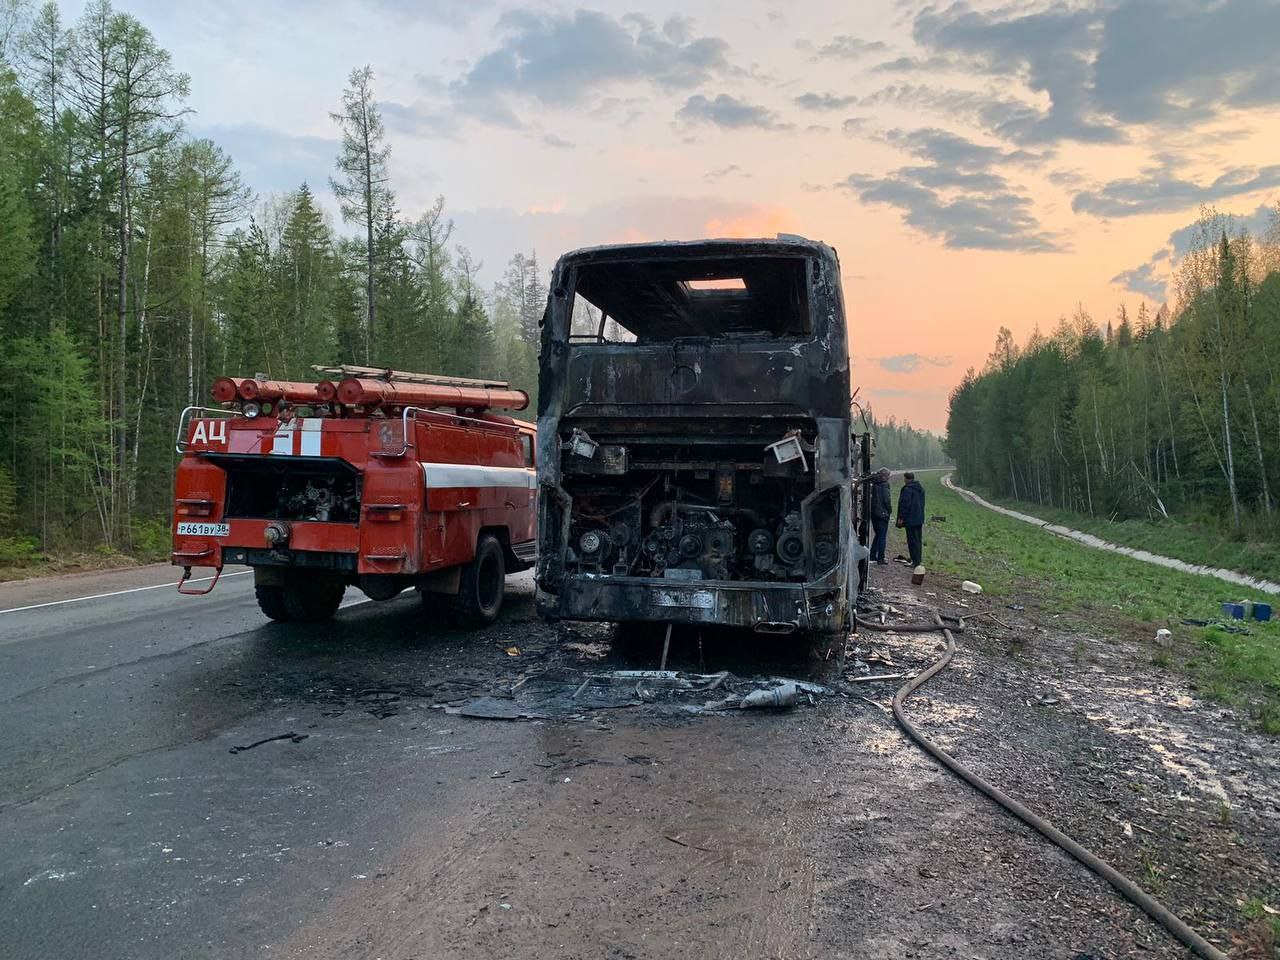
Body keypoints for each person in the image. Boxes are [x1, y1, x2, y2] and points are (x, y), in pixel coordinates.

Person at [896, 471, 926, 568]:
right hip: (919, 518)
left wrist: (901, 518)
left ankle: (915, 562)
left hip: (910, 519)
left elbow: (905, 505)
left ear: (906, 479)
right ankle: (918, 560)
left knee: (912, 541)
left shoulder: (907, 490)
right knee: (918, 541)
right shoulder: (920, 488)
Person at [869, 468, 892, 564]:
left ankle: (873, 555)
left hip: (874, 513)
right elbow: (886, 500)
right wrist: (890, 510)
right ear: (885, 476)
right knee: (882, 536)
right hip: (882, 513)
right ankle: (881, 558)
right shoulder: (885, 485)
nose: (888, 478)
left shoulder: (874, 484)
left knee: (878, 534)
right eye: (888, 476)